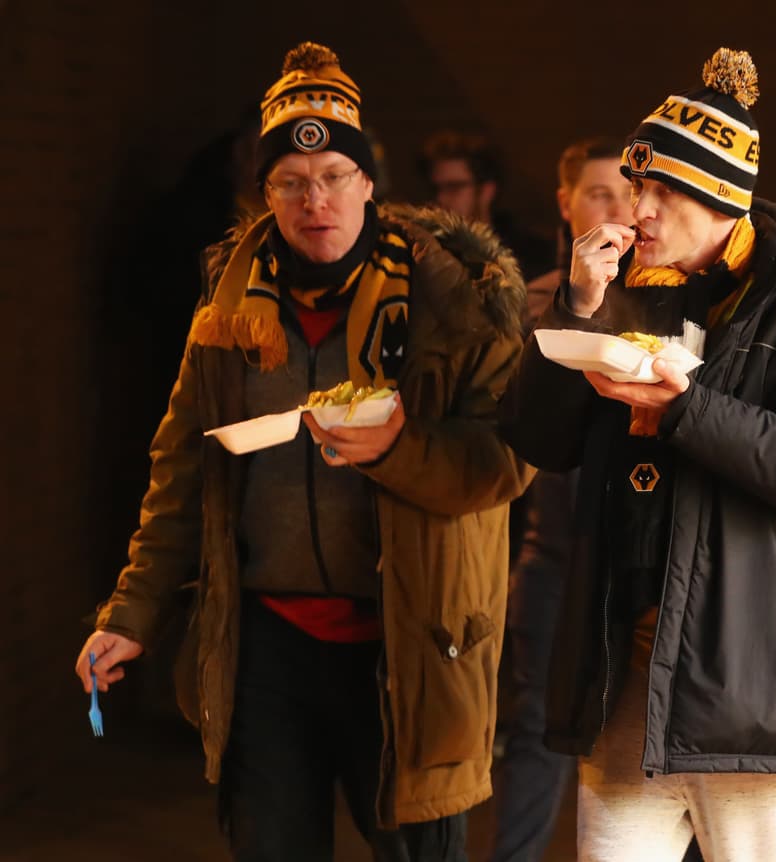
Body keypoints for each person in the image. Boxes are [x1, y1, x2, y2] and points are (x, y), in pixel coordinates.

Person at [73, 42, 530, 861]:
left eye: (332, 179)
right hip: (268, 649)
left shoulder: (449, 300)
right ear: (265, 195)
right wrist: (131, 614)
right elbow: (181, 472)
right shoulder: (227, 313)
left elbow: (506, 462)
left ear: (366, 185)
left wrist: (398, 447)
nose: (314, 200)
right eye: (290, 182)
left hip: (411, 642)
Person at [499, 49, 776, 861]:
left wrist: (687, 411)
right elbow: (538, 441)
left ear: (723, 203)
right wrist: (579, 307)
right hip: (623, 675)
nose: (642, 213)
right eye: (638, 190)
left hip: (747, 686)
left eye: (663, 192)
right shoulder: (631, 285)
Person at [488, 137, 630, 862]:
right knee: (539, 731)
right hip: (552, 554)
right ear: (565, 202)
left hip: (634, 562)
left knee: (639, 747)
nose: (615, 208)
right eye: (597, 194)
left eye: (624, 193)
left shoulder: (660, 300)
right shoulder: (539, 302)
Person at [420, 130, 555, 278]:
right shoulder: (426, 255)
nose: (441, 198)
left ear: (486, 191)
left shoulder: (531, 255)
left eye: (454, 187)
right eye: (436, 189)